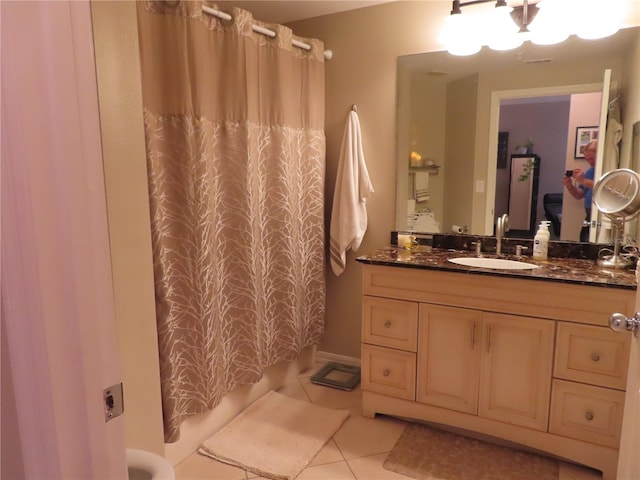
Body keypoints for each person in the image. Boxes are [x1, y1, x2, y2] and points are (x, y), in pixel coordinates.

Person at [563, 140, 597, 242]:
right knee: (584, 242)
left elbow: (604, 188)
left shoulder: (605, 169)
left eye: (592, 158)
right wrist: (569, 186)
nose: (590, 162)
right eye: (587, 159)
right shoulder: (591, 171)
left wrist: (583, 180)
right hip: (589, 213)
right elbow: (579, 195)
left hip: (599, 213)